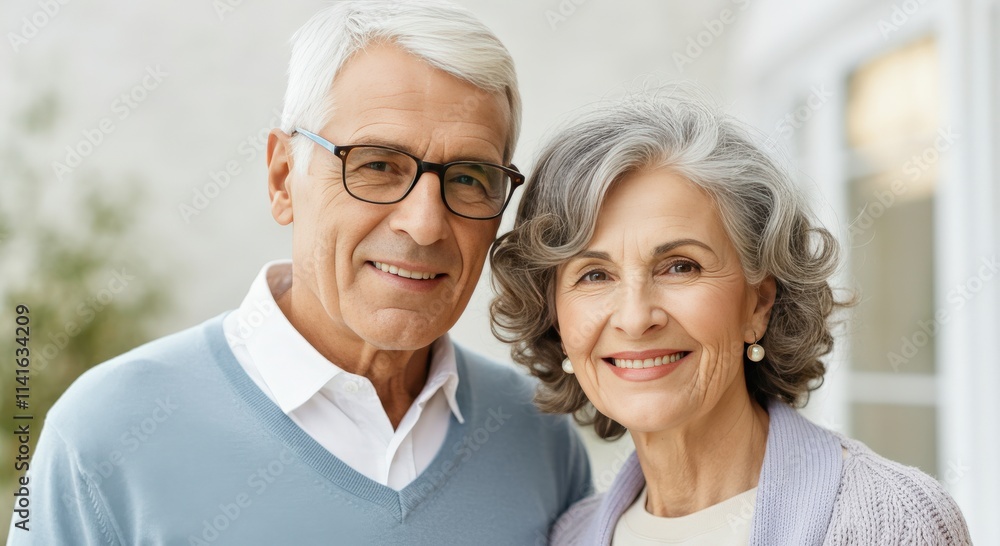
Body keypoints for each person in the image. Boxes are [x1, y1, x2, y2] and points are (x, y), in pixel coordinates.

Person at [11, 2, 592, 544]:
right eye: (378, 165)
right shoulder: (102, 437)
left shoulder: (538, 436)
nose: (424, 224)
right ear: (283, 178)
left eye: (468, 177)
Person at [490, 90, 971, 545]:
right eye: (595, 275)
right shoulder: (568, 535)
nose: (635, 318)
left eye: (681, 266)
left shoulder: (894, 521)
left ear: (758, 303)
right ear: (553, 314)